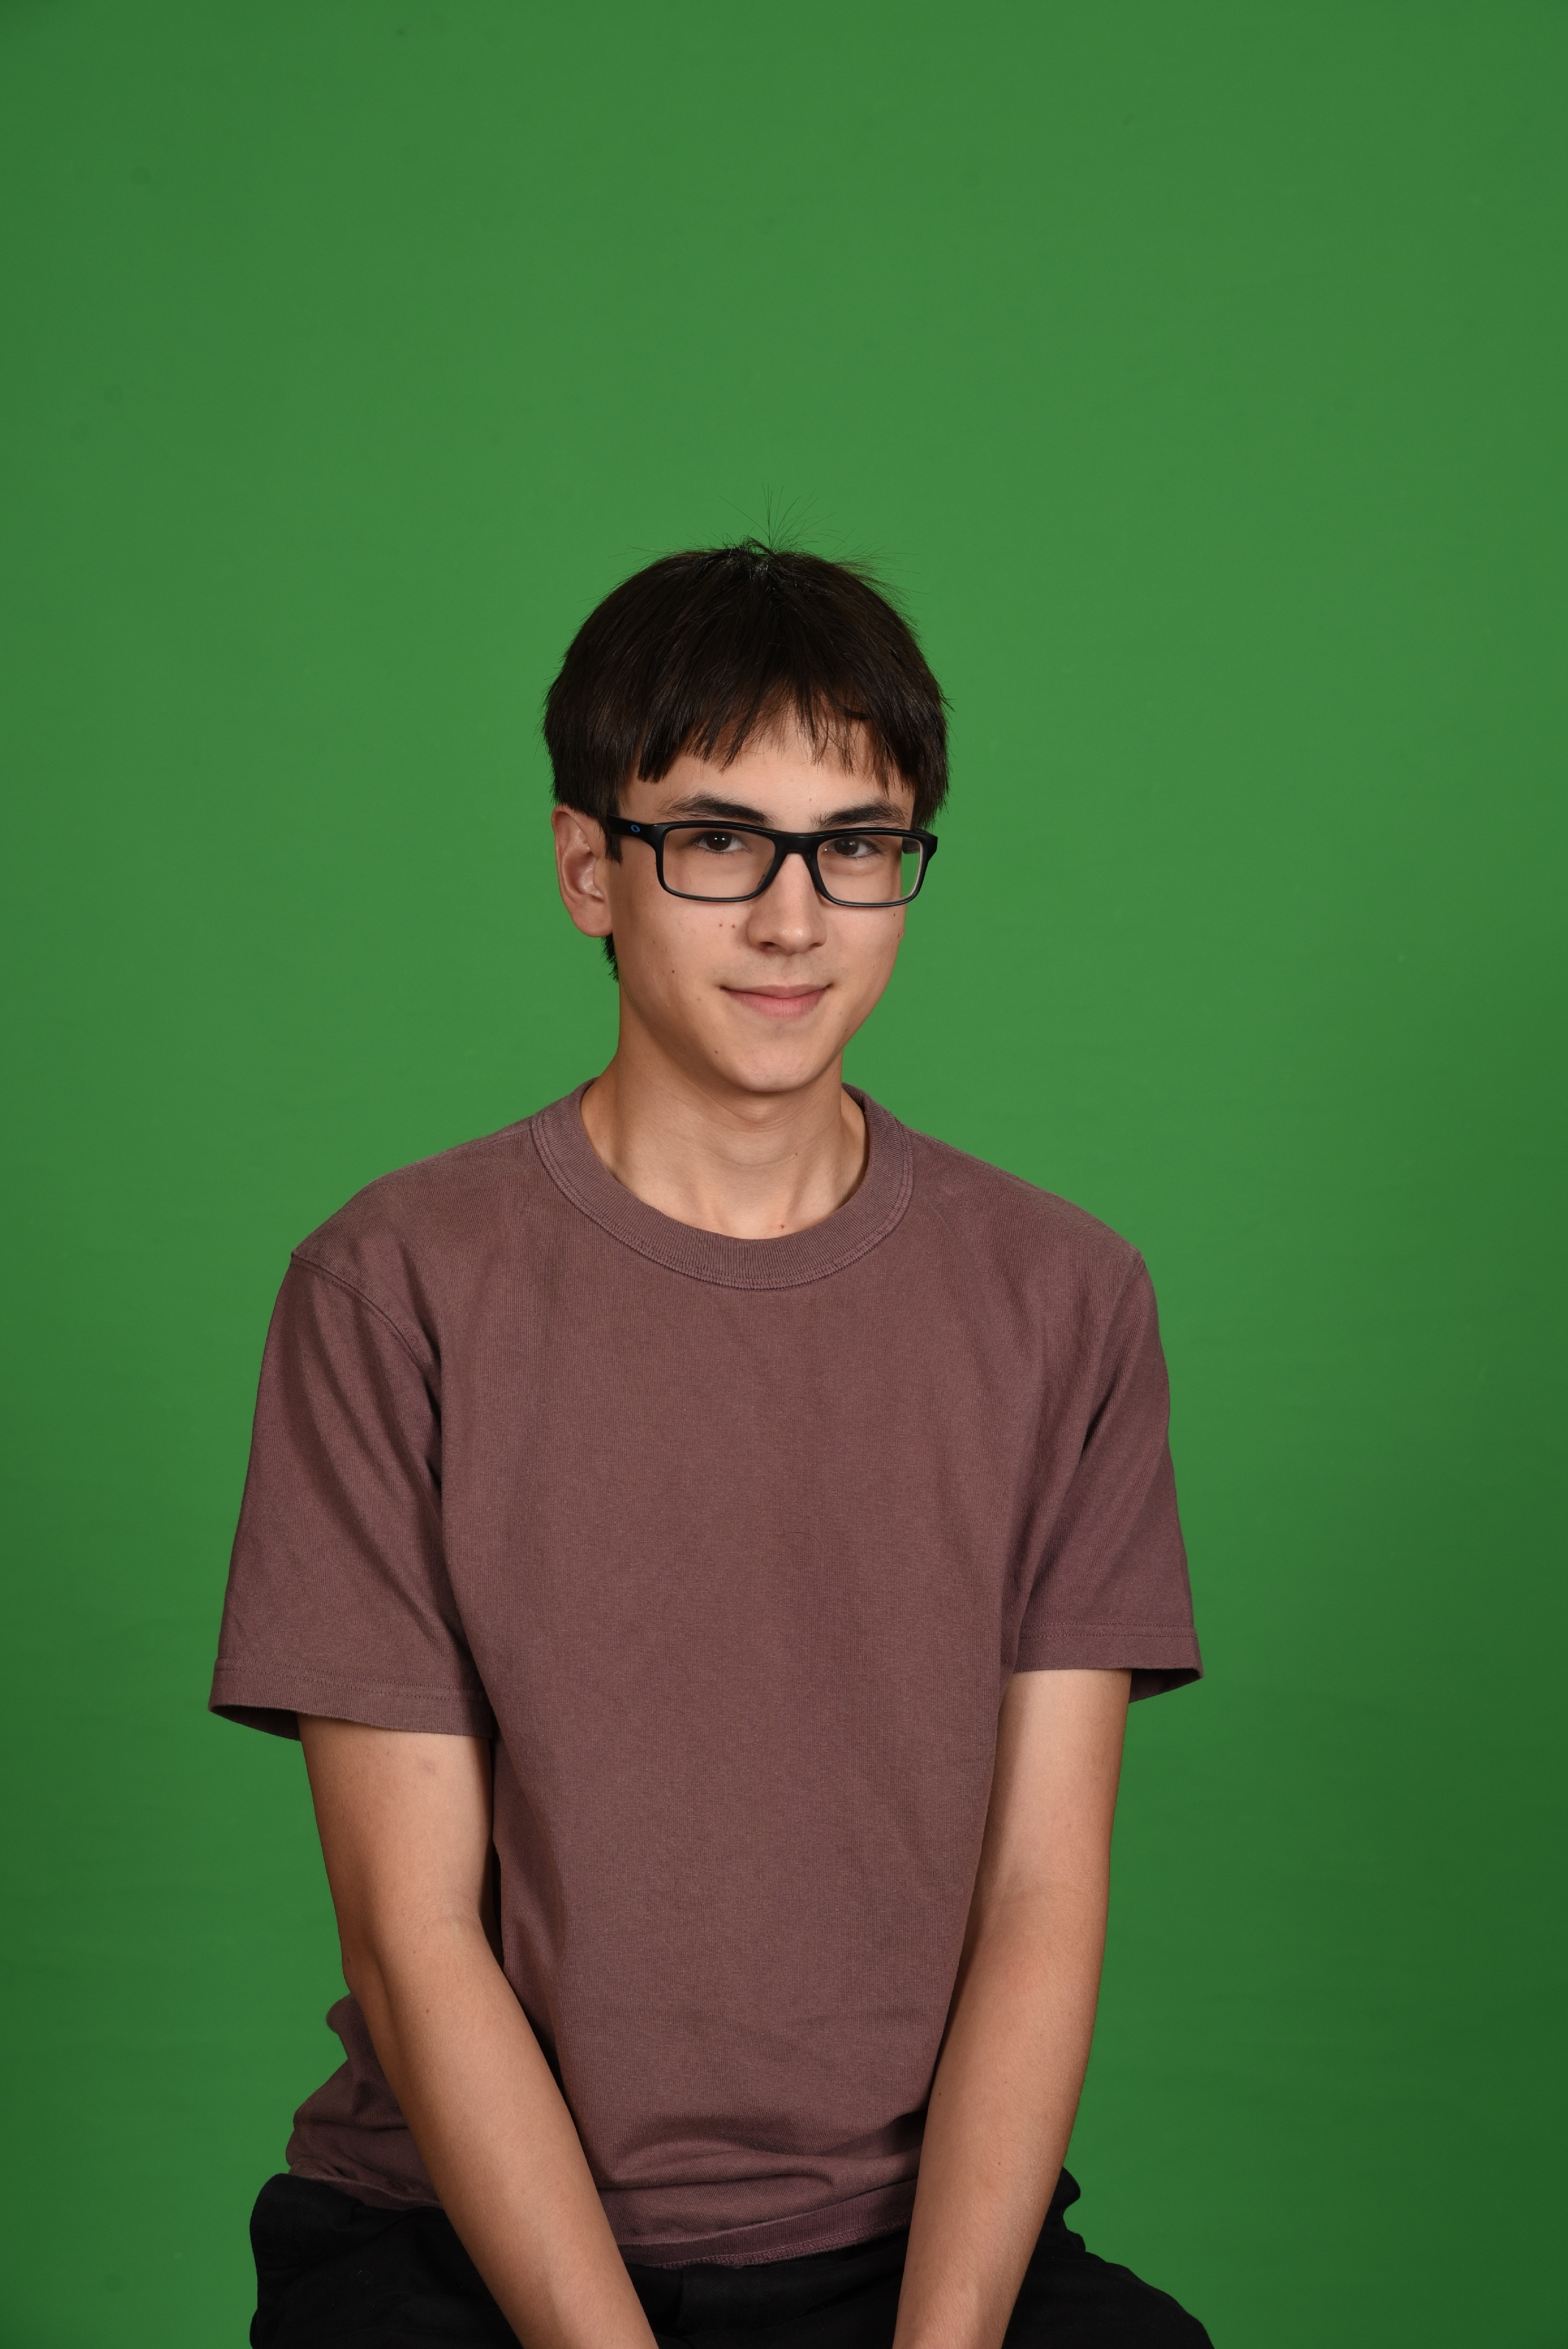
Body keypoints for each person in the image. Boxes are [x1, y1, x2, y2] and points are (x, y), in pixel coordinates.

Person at [210, 541, 1210, 2348]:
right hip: (460, 2241)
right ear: (587, 867)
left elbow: (1043, 1899)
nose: (793, 920)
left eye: (859, 845)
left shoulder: (1065, 1299)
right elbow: (411, 1938)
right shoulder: (390, 1288)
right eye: (719, 842)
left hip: (904, 2248)